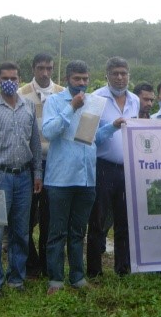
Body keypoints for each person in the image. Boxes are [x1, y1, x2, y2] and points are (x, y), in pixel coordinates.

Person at [42, 60, 125, 294]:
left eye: (85, 79)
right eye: (78, 79)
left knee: (79, 231)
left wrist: (113, 127)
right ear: (68, 79)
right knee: (57, 232)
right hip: (60, 179)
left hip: (87, 179)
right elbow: (48, 132)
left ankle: (77, 277)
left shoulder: (93, 104)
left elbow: (91, 138)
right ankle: (56, 279)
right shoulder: (55, 102)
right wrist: (71, 108)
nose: (82, 83)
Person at [0, 62, 42, 297]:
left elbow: (34, 142)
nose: (10, 82)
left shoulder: (29, 106)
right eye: (5, 78)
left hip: (23, 176)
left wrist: (37, 173)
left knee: (21, 232)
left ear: (19, 79)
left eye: (14, 78)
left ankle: (16, 278)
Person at [86, 57, 139, 278]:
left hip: (127, 168)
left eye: (123, 73)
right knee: (98, 221)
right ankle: (94, 270)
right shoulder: (96, 98)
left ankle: (123, 268)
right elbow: (89, 137)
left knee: (124, 220)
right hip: (103, 167)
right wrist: (112, 127)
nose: (119, 78)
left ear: (129, 75)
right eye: (115, 73)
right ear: (106, 75)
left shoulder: (135, 100)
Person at [18, 53, 63, 279]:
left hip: (55, 164)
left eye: (49, 68)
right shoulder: (21, 94)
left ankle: (47, 264)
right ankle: (31, 263)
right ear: (33, 68)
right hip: (28, 165)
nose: (45, 73)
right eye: (41, 68)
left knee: (49, 216)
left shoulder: (62, 93)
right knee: (25, 216)